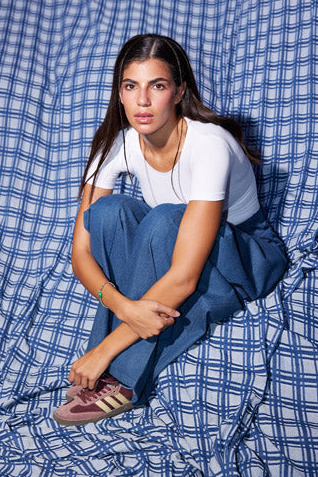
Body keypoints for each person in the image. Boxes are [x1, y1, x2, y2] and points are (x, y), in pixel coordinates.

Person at [53, 34, 287, 427]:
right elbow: (80, 253)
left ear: (178, 92)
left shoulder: (209, 145)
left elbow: (184, 276)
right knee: (109, 212)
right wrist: (126, 308)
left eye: (157, 86)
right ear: (120, 93)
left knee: (163, 221)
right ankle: (111, 365)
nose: (142, 101)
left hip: (248, 256)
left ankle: (123, 380)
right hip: (178, 246)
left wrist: (103, 349)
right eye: (131, 86)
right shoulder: (116, 144)